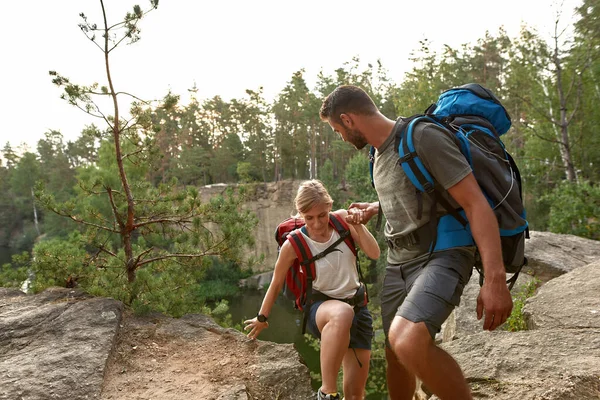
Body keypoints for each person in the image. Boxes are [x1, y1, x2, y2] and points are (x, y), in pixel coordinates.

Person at [319, 86, 513, 400]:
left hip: (443, 253)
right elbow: (422, 190)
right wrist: (376, 207)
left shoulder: (421, 137)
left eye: (337, 129)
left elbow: (475, 203)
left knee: (407, 340)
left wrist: (494, 280)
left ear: (347, 119)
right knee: (397, 355)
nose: (340, 136)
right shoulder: (376, 152)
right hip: (398, 262)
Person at [244, 179, 380, 400]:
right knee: (341, 313)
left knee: (356, 394)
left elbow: (374, 253)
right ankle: (326, 393)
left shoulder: (344, 221)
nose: (317, 223)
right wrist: (262, 317)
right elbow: (276, 282)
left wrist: (357, 225)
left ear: (329, 207)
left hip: (358, 308)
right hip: (321, 311)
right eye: (309, 218)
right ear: (300, 215)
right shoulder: (294, 243)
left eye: (322, 215)